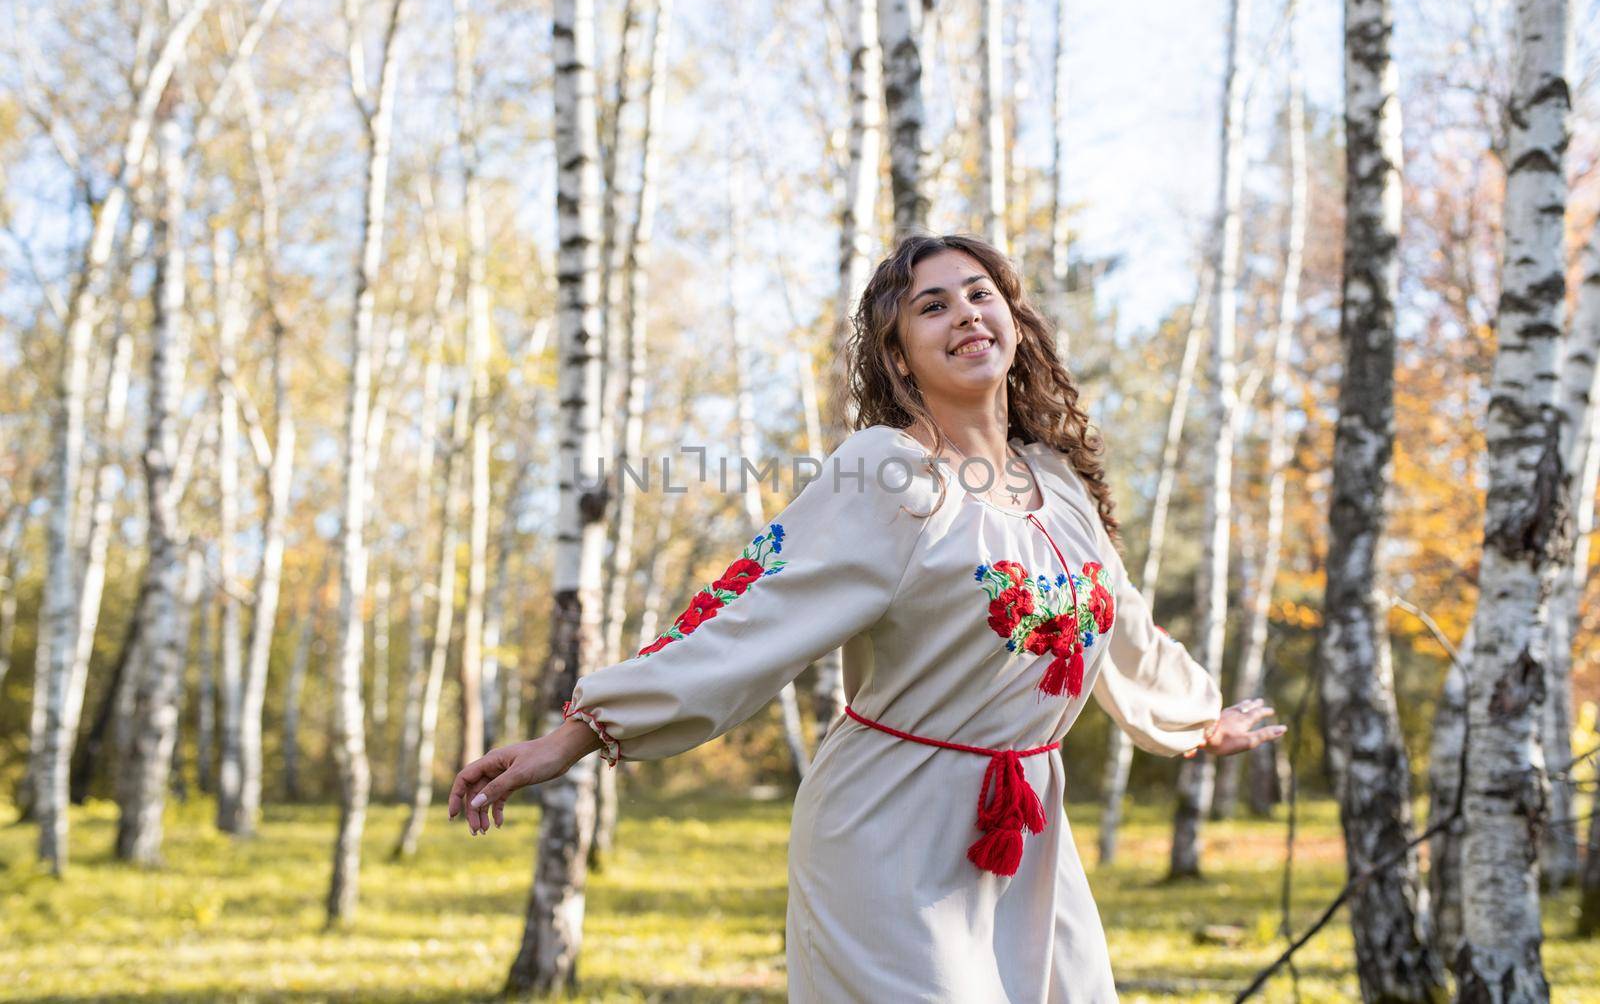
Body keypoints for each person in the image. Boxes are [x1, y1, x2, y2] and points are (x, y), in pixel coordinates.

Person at [448, 232, 1286, 1002]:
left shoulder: (1057, 480)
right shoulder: (889, 473)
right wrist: (579, 732)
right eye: (933, 305)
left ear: (1015, 321)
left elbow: (1121, 623)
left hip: (1027, 834)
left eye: (980, 292)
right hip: (892, 830)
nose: (965, 311)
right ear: (899, 355)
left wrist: (1198, 722)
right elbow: (752, 615)